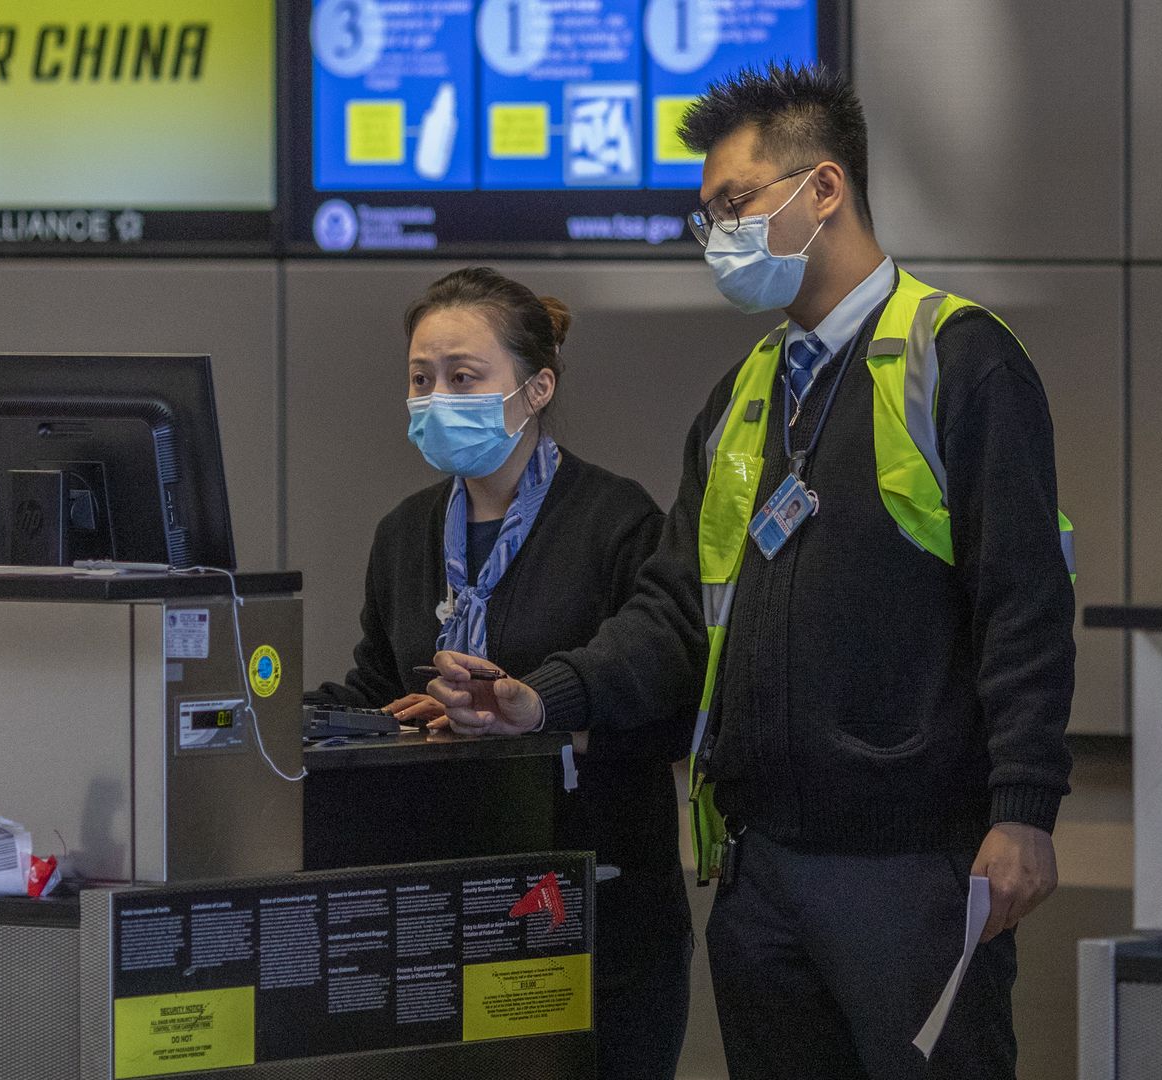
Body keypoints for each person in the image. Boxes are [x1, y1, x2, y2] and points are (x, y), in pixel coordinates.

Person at [426, 64, 1074, 1080]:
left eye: (735, 204)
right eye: (707, 216)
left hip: (913, 861)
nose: (718, 236)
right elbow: (677, 614)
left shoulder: (960, 359)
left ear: (825, 190)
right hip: (761, 867)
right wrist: (540, 698)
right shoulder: (745, 397)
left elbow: (1024, 603)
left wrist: (1025, 807)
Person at [304, 267, 692, 1079]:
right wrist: (292, 718)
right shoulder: (406, 534)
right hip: (441, 913)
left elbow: (672, 713)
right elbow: (380, 684)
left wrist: (533, 714)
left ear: (537, 387)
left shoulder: (617, 522)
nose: (437, 397)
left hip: (592, 915)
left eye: (464, 378)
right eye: (421, 379)